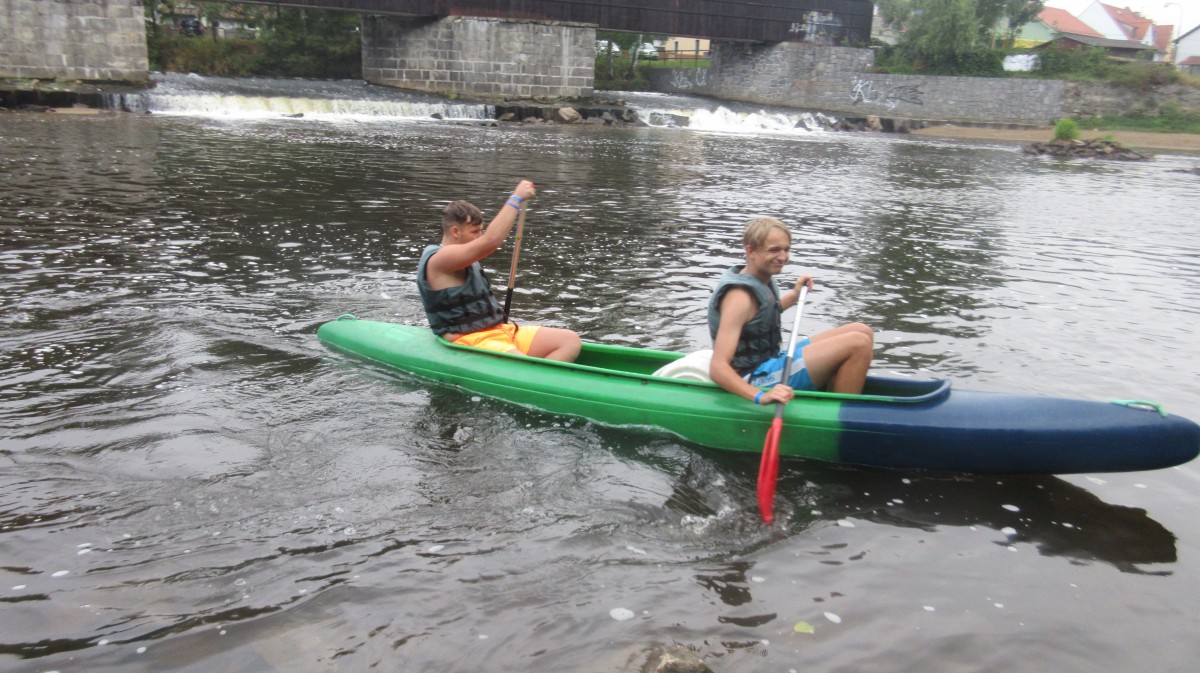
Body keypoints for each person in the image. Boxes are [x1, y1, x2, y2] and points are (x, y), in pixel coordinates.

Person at [708, 216, 873, 406]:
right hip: (752, 377)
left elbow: (762, 315)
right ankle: (838, 412)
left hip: (769, 361)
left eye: (786, 249)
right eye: (774, 250)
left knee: (862, 330)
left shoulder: (759, 278)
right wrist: (761, 396)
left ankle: (835, 389)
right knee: (858, 344)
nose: (783, 257)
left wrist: (794, 295)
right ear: (750, 251)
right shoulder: (739, 297)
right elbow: (718, 368)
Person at [416, 180, 582, 362]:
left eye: (481, 231)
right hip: (469, 339)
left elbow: (487, 242)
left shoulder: (465, 257)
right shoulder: (439, 259)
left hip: (498, 332)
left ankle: (542, 375)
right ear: (456, 232)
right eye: (475, 231)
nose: (480, 236)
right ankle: (535, 373)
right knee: (524, 363)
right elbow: (491, 241)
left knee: (569, 340)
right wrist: (516, 198)